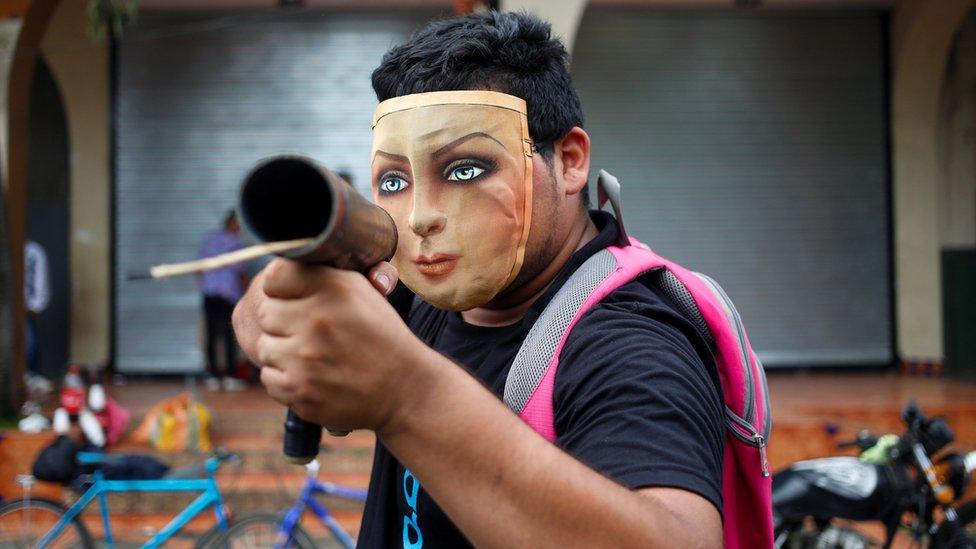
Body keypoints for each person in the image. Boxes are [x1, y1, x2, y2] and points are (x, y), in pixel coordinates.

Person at [233, 11, 725, 547]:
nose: (421, 216)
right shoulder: (426, 287)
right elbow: (255, 315)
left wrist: (409, 398)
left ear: (570, 160)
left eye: (465, 170)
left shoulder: (627, 339)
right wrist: (286, 301)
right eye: (395, 179)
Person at [198, 211, 247, 391]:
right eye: (238, 223)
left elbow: (200, 269)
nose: (240, 227)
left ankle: (212, 376)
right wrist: (246, 296)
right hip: (227, 296)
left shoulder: (210, 240)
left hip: (210, 294)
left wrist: (207, 286)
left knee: (211, 336)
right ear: (231, 223)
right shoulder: (235, 244)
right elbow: (241, 273)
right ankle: (230, 376)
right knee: (228, 336)